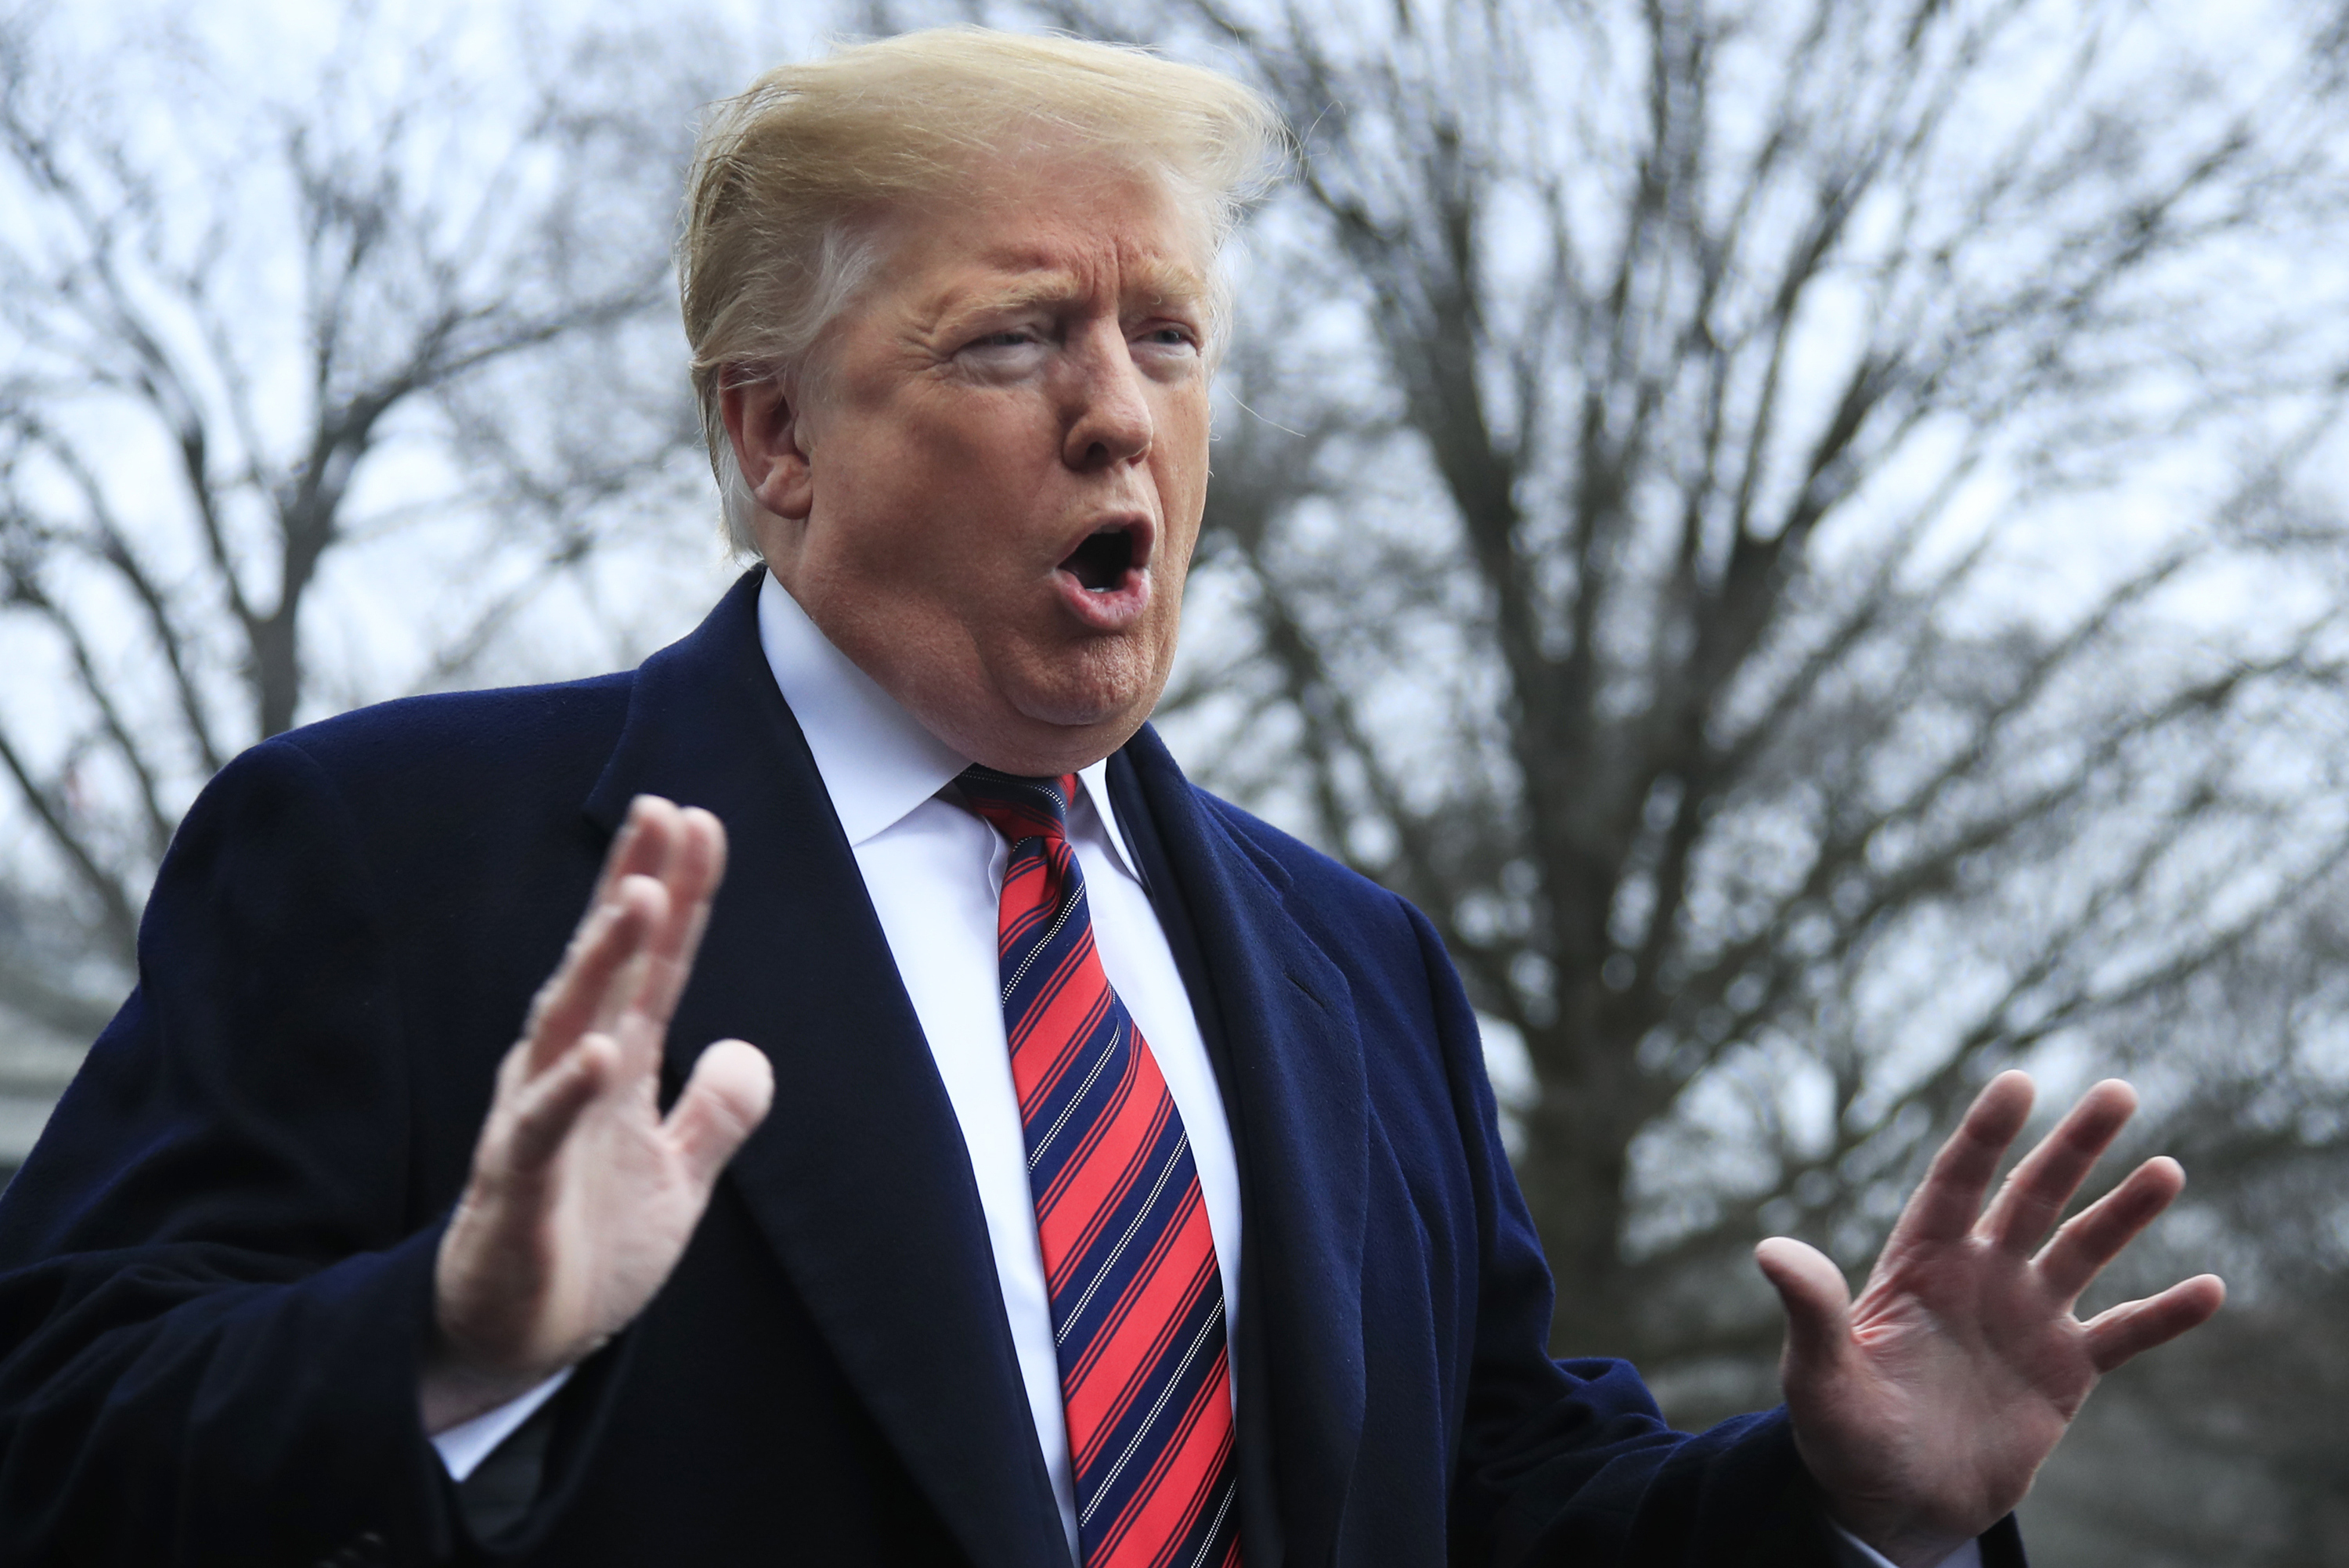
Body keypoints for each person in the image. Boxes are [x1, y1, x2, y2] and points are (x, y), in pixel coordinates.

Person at [0, 28, 2221, 1568]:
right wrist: (447, 1335)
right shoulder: (397, 862)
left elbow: (1495, 1502)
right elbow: (56, 1443)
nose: (1116, 416)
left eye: (1168, 335)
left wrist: (1851, 1503)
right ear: (774, 438)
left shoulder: (1356, 969)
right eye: (1010, 338)